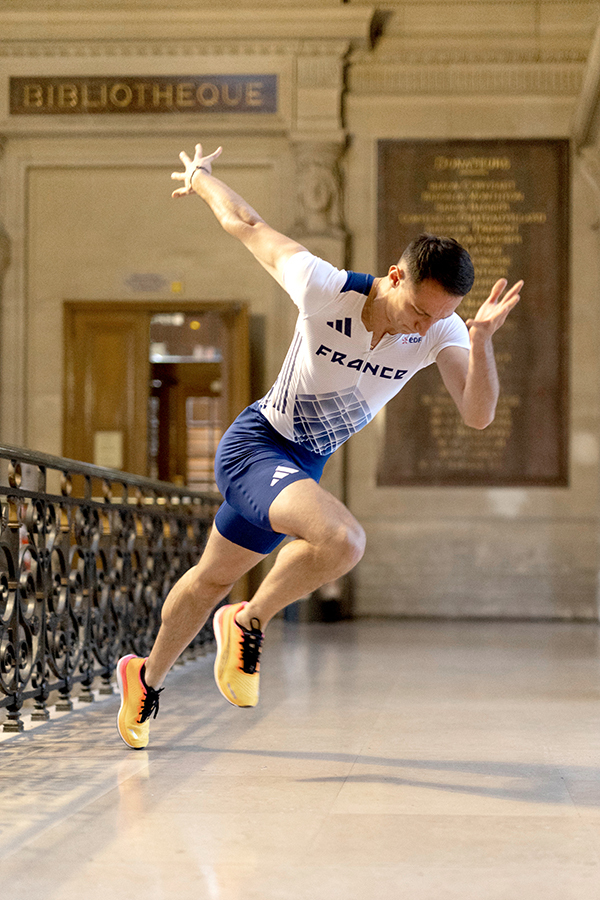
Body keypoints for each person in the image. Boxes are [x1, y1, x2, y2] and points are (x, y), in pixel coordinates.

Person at [116, 143, 522, 749]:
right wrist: (201, 178)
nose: (421, 326)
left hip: (298, 466)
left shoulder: (442, 329)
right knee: (344, 539)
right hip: (256, 448)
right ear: (393, 277)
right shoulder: (323, 287)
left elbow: (479, 414)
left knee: (209, 579)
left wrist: (481, 340)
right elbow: (248, 225)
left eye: (437, 318)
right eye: (415, 310)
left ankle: (143, 679)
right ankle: (248, 621)